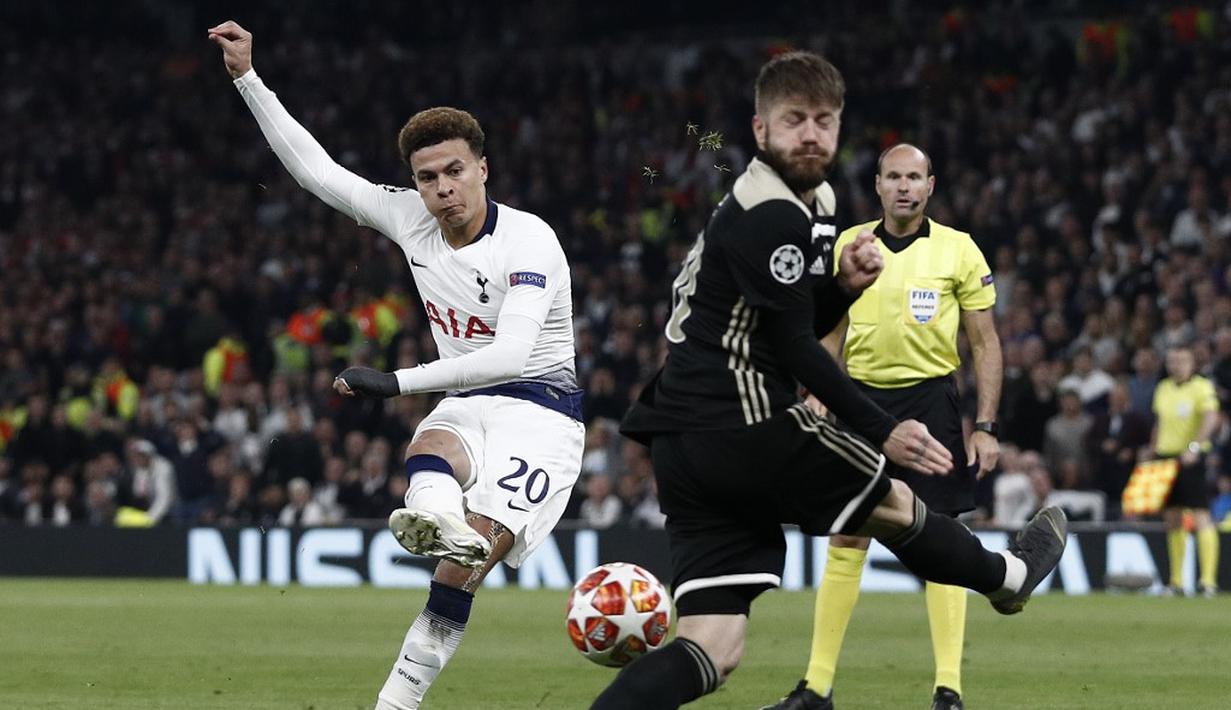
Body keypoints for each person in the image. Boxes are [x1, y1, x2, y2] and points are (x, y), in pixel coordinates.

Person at [594, 51, 1066, 710]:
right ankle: (1006, 579)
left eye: (824, 121)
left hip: (685, 436)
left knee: (713, 646)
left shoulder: (814, 202)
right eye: (794, 121)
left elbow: (788, 319)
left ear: (840, 128)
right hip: (741, 414)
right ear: (760, 130)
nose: (811, 135)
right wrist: (881, 427)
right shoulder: (770, 213)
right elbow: (794, 346)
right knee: (893, 502)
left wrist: (841, 288)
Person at [208, 21, 585, 710]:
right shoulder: (410, 218)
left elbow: (508, 356)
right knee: (431, 445)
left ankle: (441, 544)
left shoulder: (529, 240)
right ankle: (437, 520)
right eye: (427, 177)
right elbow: (317, 172)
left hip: (541, 414)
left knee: (455, 576)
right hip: (467, 399)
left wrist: (395, 381)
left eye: (454, 171)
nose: (442, 188)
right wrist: (248, 80)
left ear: (482, 169)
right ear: (415, 183)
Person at [776, 143, 1003, 710]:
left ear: (930, 186)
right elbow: (829, 333)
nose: (904, 187)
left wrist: (986, 425)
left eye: (914, 177)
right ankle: (817, 687)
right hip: (858, 401)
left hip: (930, 401)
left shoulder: (959, 249)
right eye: (894, 177)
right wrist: (818, 392)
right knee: (848, 533)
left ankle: (949, 689)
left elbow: (984, 342)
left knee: (942, 538)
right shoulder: (852, 246)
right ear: (877, 185)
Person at [1150, 344, 1220, 597]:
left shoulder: (1201, 387)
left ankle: (1207, 581)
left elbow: (1211, 418)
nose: (1176, 366)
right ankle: (1176, 582)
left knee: (1201, 515)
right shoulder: (1163, 388)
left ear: (1192, 363)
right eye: (1172, 361)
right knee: (1172, 518)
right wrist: (1152, 450)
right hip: (1165, 457)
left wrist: (1194, 446)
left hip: (1191, 458)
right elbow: (1159, 423)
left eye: (1181, 361)